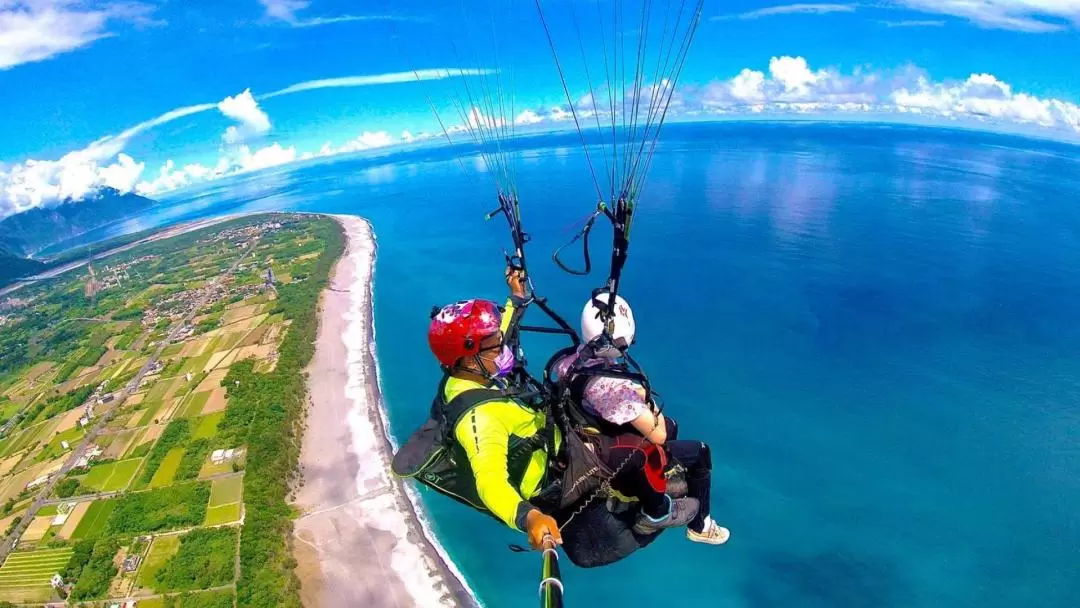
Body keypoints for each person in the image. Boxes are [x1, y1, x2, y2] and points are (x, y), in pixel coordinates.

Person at [551, 292, 730, 544]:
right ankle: (695, 523)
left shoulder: (569, 361)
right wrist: (645, 396)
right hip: (612, 455)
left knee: (671, 428)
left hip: (588, 433)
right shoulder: (612, 387)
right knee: (699, 451)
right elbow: (658, 433)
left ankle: (658, 480)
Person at [419, 267, 565, 551]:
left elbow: (503, 333)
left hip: (552, 443)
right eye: (495, 347)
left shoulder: (469, 373)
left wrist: (516, 296)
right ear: (469, 357)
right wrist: (530, 518)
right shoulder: (478, 418)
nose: (503, 350)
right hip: (552, 477)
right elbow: (490, 481)